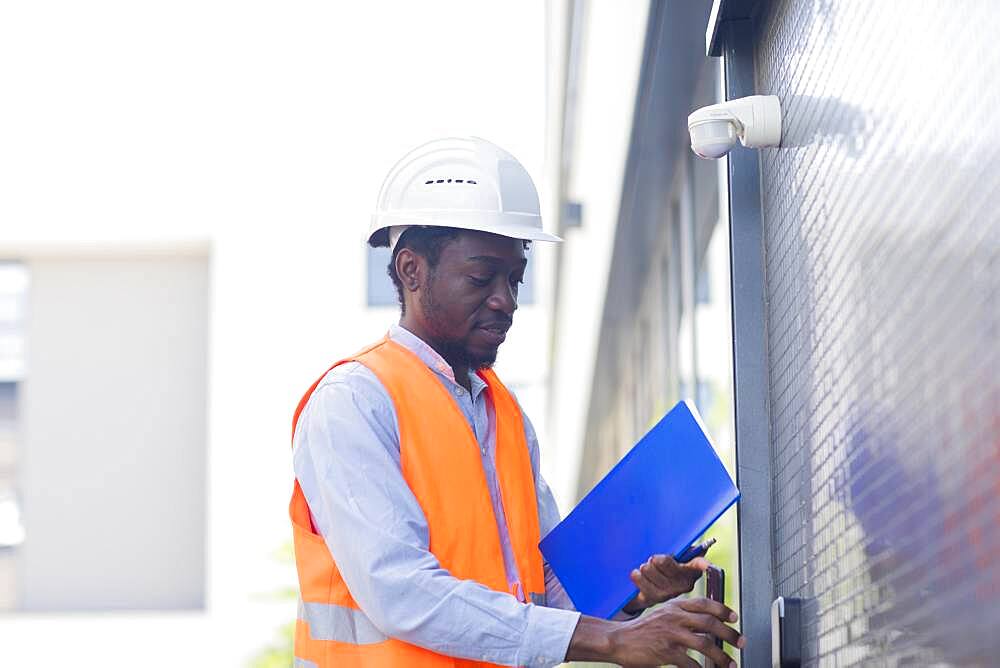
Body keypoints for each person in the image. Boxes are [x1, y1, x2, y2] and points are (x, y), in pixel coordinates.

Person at [289, 137, 744, 667]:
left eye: (515, 279)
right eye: (482, 277)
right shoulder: (353, 403)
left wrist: (638, 597)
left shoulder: (503, 414)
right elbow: (400, 591)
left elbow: (544, 590)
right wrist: (613, 640)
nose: (505, 300)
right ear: (412, 271)